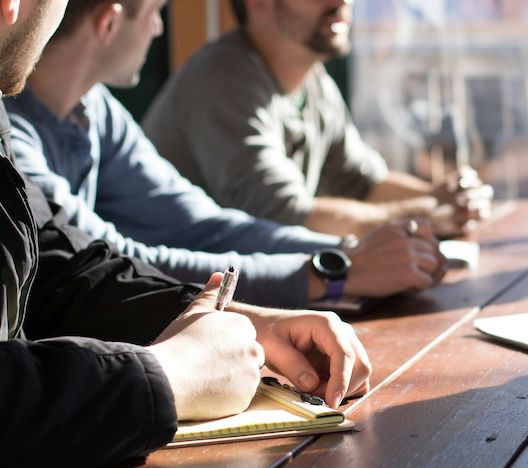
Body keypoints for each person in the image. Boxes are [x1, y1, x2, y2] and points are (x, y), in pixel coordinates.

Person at [0, 1, 370, 464]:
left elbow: (62, 267)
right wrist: (168, 374)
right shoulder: (224, 75)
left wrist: (233, 321)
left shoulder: (72, 111)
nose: (159, 27)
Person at [8, 0, 446, 310]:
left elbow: (200, 223)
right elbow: (112, 263)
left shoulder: (94, 108)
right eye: (159, 11)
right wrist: (334, 272)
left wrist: (345, 251)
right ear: (108, 23)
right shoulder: (13, 137)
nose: (161, 29)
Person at [142, 0, 494, 239]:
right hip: (184, 303)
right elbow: (285, 217)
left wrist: (445, 197)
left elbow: (363, 182)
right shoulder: (222, 79)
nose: (343, 1)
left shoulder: (312, 79)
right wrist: (427, 215)